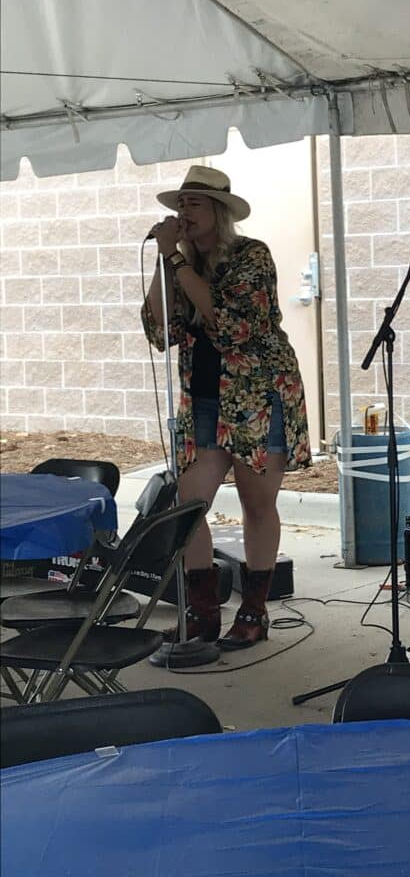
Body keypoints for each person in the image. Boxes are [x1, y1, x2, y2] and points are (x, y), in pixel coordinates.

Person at [142, 164, 312, 650]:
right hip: (203, 397)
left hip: (257, 393)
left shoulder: (251, 256)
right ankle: (202, 612)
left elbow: (228, 321)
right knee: (187, 506)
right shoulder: (178, 261)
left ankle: (255, 612)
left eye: (193, 203)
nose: (183, 212)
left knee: (256, 504)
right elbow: (159, 332)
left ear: (217, 211)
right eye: (180, 204)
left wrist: (176, 261)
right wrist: (164, 265)